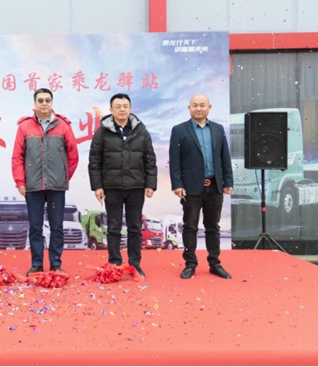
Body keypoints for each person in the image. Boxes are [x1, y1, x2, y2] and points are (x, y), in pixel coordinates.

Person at [88, 93, 157, 278]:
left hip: (136, 186)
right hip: (112, 187)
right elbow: (94, 161)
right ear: (111, 110)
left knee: (135, 227)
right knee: (113, 227)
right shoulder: (102, 132)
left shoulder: (141, 131)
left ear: (130, 108)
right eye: (118, 106)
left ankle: (135, 264)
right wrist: (97, 186)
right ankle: (115, 263)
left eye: (125, 106)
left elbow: (150, 159)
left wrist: (150, 184)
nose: (122, 109)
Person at [12, 88, 79, 276]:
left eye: (47, 100)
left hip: (57, 186)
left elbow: (73, 155)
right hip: (33, 186)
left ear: (52, 103)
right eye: (40, 100)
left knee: (57, 227)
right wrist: (20, 181)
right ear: (34, 104)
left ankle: (56, 264)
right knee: (35, 227)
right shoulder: (24, 127)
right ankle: (37, 264)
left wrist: (64, 176)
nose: (44, 104)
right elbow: (17, 156)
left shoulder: (63, 126)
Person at [169, 94, 234, 280]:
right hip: (190, 188)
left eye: (202, 105)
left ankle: (215, 263)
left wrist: (228, 181)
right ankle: (190, 264)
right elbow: (175, 161)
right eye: (195, 105)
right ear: (189, 108)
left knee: (213, 226)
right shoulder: (179, 130)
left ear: (209, 107)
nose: (198, 108)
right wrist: (177, 185)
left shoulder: (218, 129)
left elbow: (225, 157)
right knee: (190, 226)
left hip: (215, 186)